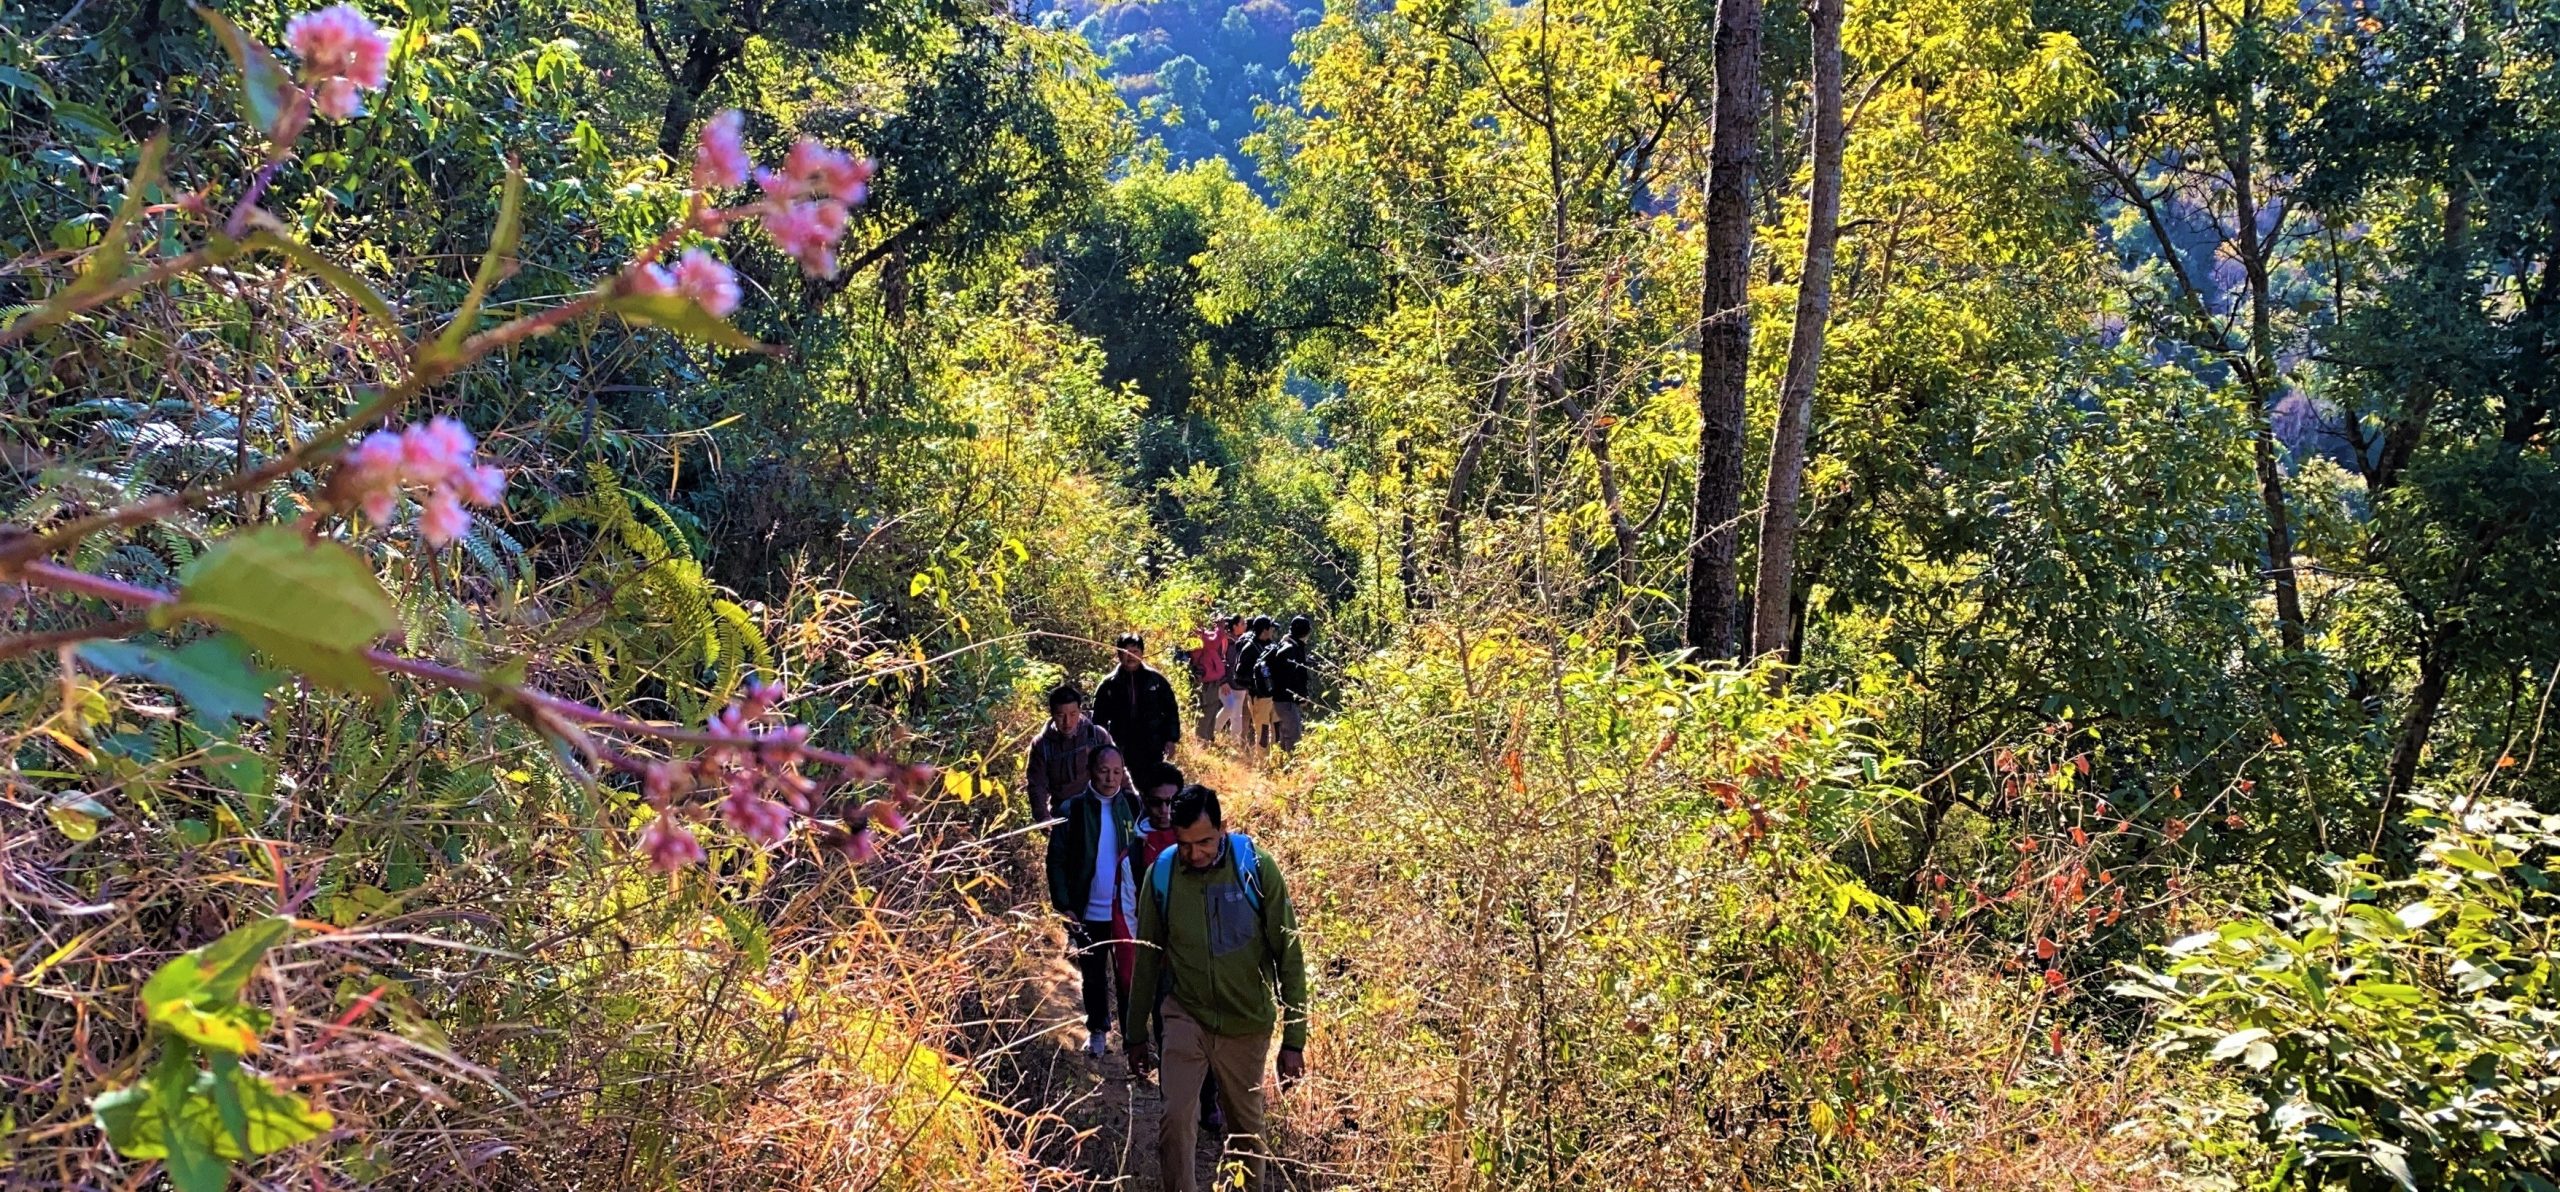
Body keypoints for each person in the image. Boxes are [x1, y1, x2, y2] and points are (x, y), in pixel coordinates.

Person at [1129, 785, 1309, 1192]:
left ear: (1224, 828)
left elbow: (1289, 954)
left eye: (1205, 842)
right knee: (1176, 1118)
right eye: (1185, 844)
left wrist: (1294, 1039)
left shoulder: (1257, 870)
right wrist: (1135, 1034)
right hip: (1185, 1014)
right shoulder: (1163, 875)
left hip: (1245, 1023)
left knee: (1246, 1132)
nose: (1195, 854)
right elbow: (1146, 959)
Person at [1133, 763, 1226, 1138]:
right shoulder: (1154, 861)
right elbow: (1144, 945)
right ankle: (1182, 1107)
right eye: (1158, 802)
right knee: (1174, 1043)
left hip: (1218, 981)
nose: (1166, 810)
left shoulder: (1238, 863)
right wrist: (1134, 1030)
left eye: (1173, 802)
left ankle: (1209, 1100)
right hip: (1169, 977)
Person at [1045, 745, 1141, 1057]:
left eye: (1117, 771)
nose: (1110, 778)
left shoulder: (1131, 806)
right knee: (1093, 974)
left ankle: (1134, 1038)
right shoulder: (1071, 810)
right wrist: (1064, 904)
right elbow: (1056, 861)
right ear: (1090, 771)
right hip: (1087, 909)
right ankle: (1097, 1031)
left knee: (1129, 974)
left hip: (1123, 910)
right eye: (1103, 770)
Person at [1026, 682, 1115, 824]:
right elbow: (1037, 784)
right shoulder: (1042, 745)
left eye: (1073, 714)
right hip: (1063, 814)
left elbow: (1118, 771)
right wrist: (1043, 817)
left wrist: (1132, 800)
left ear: (1080, 711)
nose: (1067, 722)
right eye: (1061, 715)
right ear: (1052, 714)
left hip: (1099, 809)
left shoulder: (1096, 735)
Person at [1093, 632, 1183, 773]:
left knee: (1150, 783)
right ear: (1119, 654)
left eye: (1135, 651)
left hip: (1152, 744)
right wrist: (1101, 746)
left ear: (1142, 654)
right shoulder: (1109, 684)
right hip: (1120, 746)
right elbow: (1099, 719)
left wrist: (1171, 739)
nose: (1131, 656)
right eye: (1127, 652)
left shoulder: (1156, 680)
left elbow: (1171, 710)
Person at [1262, 615, 1314, 756]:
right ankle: (1291, 767)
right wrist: (1301, 697)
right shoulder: (1292, 648)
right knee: (1294, 735)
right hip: (1286, 700)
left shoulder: (1287, 645)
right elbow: (1295, 677)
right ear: (1305, 632)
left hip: (1280, 698)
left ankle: (1283, 765)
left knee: (1286, 734)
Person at [1235, 615, 1276, 765]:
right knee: (1263, 731)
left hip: (1272, 696)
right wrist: (1255, 685)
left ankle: (1274, 761)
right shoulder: (1250, 648)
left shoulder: (1269, 645)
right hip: (1258, 697)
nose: (1273, 631)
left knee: (1275, 728)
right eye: (1271, 628)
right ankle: (1263, 764)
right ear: (1265, 630)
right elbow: (1239, 675)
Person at [1192, 613, 1232, 745]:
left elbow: (1212, 637)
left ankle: (1208, 740)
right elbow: (1212, 643)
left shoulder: (1203, 633)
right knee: (1206, 711)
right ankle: (1201, 741)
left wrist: (1218, 629)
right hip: (1205, 681)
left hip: (1213, 679)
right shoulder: (1194, 635)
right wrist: (1220, 628)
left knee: (1212, 710)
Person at [1212, 614, 1248, 746]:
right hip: (1226, 682)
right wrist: (1222, 681)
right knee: (1229, 707)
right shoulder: (1224, 641)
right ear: (1235, 626)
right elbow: (1218, 660)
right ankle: (1212, 734)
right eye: (1243, 623)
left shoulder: (1244, 640)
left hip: (1239, 684)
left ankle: (1235, 746)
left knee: (1237, 717)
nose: (1245, 625)